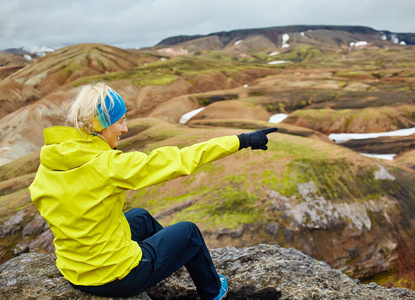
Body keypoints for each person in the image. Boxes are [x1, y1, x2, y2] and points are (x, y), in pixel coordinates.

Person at [29, 82, 277, 299]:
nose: (125, 129)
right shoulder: (107, 166)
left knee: (141, 217)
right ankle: (214, 292)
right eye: (120, 121)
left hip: (75, 271)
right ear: (99, 126)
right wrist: (242, 140)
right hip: (115, 278)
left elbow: (51, 204)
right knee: (189, 232)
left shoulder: (52, 161)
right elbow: (180, 160)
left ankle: (176, 260)